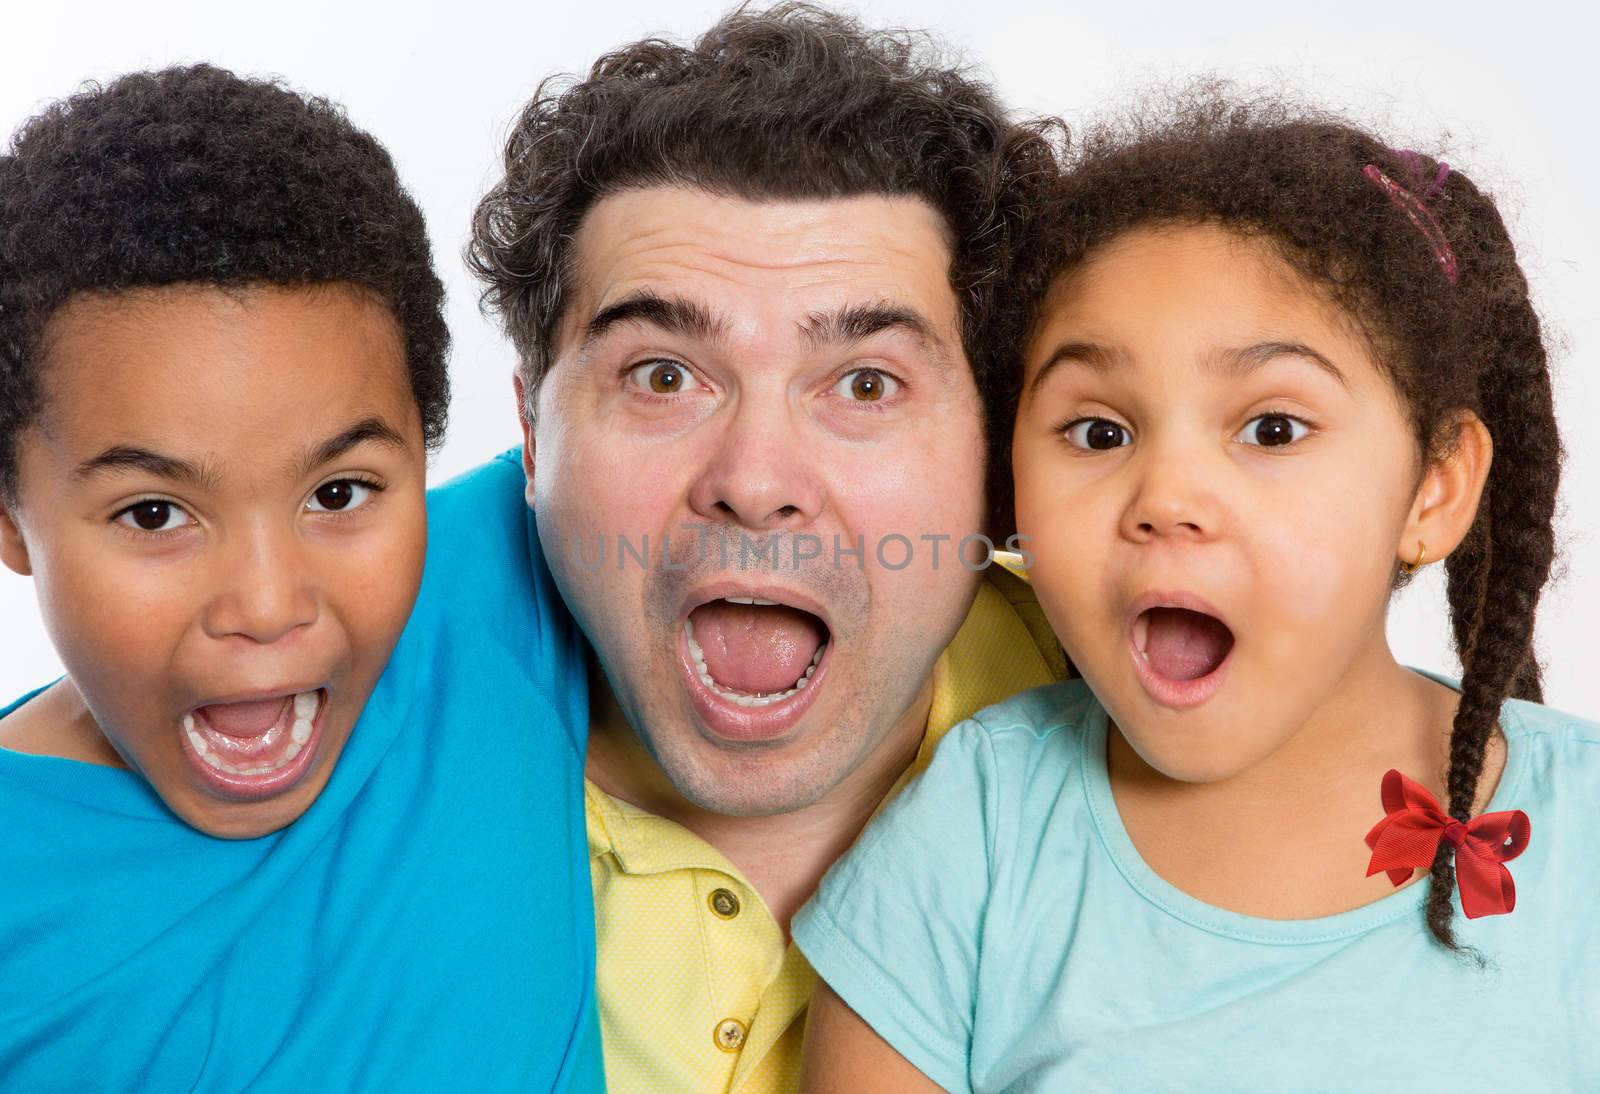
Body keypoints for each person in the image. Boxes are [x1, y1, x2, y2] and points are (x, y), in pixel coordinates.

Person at [795, 93, 1600, 1090]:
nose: (1166, 498)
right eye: (1098, 431)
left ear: (1433, 487)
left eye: (1270, 429)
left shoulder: (1587, 838)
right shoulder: (977, 833)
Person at [466, 4, 1065, 1088]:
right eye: (661, 376)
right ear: (528, 434)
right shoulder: (351, 771)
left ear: (999, 452)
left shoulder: (1144, 709)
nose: (753, 480)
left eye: (867, 383)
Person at [0, 66, 600, 1089]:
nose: (269, 603)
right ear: (12, 518)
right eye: (155, 513)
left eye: (339, 492)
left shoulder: (503, 588)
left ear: (425, 452)